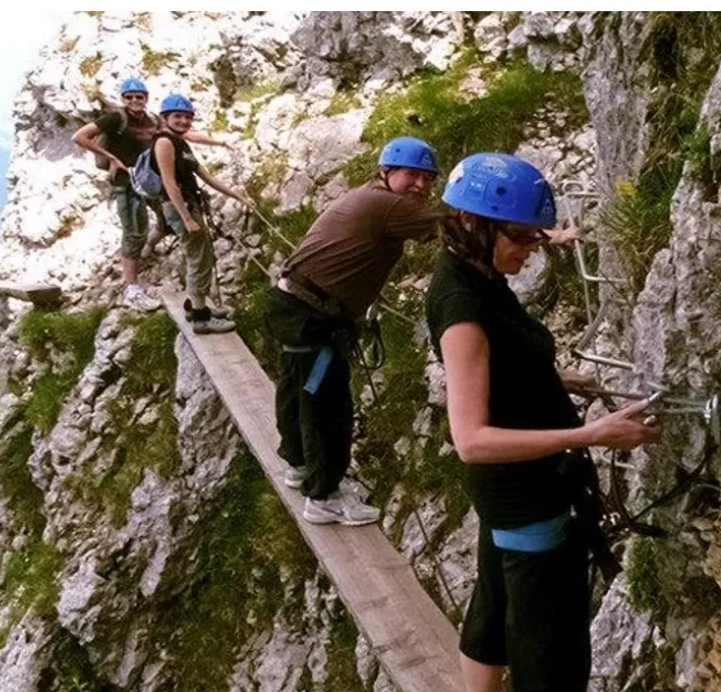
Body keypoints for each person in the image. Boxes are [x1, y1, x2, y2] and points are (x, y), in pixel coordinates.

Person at [424, 152, 662, 692]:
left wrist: (561, 377)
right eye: (521, 238)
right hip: (527, 498)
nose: (530, 252)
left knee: (494, 608)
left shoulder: (471, 278)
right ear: (477, 224)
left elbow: (498, 371)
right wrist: (592, 434)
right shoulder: (464, 306)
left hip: (510, 503)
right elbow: (470, 437)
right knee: (547, 649)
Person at [266, 136, 442, 526]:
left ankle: (297, 463)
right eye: (412, 175)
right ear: (387, 172)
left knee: (298, 388)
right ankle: (324, 495)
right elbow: (457, 229)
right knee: (327, 405)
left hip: (294, 305)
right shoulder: (389, 205)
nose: (421, 186)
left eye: (428, 179)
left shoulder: (369, 195)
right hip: (315, 316)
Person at [71, 78, 235, 309]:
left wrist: (218, 143)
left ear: (146, 98)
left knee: (167, 223)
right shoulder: (116, 118)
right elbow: (79, 137)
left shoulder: (155, 120)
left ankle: (145, 251)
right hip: (126, 182)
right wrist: (112, 159)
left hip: (150, 182)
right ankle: (132, 289)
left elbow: (186, 134)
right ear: (123, 99)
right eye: (130, 97)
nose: (135, 101)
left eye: (139, 96)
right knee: (134, 231)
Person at [151, 93, 250, 333]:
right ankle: (201, 317)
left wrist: (237, 196)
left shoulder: (180, 142)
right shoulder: (164, 142)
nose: (183, 121)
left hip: (188, 205)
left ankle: (195, 304)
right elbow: (169, 183)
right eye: (178, 116)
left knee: (200, 254)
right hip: (179, 207)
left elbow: (207, 177)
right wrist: (186, 217)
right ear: (166, 117)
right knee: (199, 257)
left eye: (187, 117)